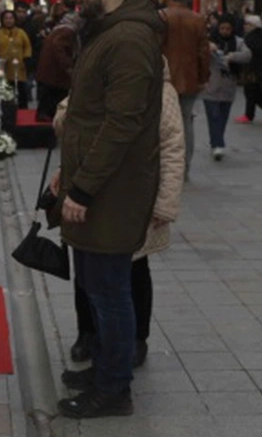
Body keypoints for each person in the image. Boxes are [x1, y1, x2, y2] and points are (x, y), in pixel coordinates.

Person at [49, 0, 163, 419]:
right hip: (99, 183)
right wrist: (69, 174)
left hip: (113, 192)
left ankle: (114, 388)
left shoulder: (129, 38)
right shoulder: (109, 31)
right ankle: (103, 368)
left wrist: (84, 188)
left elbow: (122, 124)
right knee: (98, 286)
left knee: (110, 291)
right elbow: (91, 117)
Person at [64, 56, 184, 372]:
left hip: (137, 197)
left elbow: (172, 147)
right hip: (91, 191)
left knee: (134, 269)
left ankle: (136, 339)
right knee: (86, 267)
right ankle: (87, 333)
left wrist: (165, 202)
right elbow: (65, 121)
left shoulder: (160, 89)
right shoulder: (97, 80)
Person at [159, 0, 209, 178]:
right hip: (189, 78)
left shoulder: (161, 17)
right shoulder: (197, 19)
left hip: (165, 78)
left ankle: (167, 166)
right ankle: (184, 166)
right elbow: (203, 52)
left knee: (164, 122)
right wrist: (203, 77)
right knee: (186, 121)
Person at [203, 15, 251, 160]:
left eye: (228, 29)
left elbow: (247, 55)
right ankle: (218, 144)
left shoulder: (238, 42)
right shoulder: (209, 41)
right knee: (214, 116)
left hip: (228, 86)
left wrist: (231, 56)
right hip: (210, 85)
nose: (225, 31)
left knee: (222, 117)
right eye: (222, 28)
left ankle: (216, 142)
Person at [35, 11, 78, 122]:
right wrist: (68, 65)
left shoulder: (58, 29)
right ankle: (48, 115)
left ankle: (45, 113)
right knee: (56, 93)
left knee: (49, 93)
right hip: (55, 71)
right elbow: (59, 46)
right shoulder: (68, 31)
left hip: (49, 69)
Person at [0, 8, 33, 108]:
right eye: (6, 18)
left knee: (21, 92)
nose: (9, 20)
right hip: (3, 69)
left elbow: (27, 46)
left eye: (11, 18)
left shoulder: (21, 33)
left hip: (19, 68)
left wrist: (26, 58)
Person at [236, 14, 262, 123]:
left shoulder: (251, 37)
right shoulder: (260, 35)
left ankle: (250, 114)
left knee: (251, 92)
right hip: (256, 68)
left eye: (247, 24)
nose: (245, 26)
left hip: (252, 69)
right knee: (255, 93)